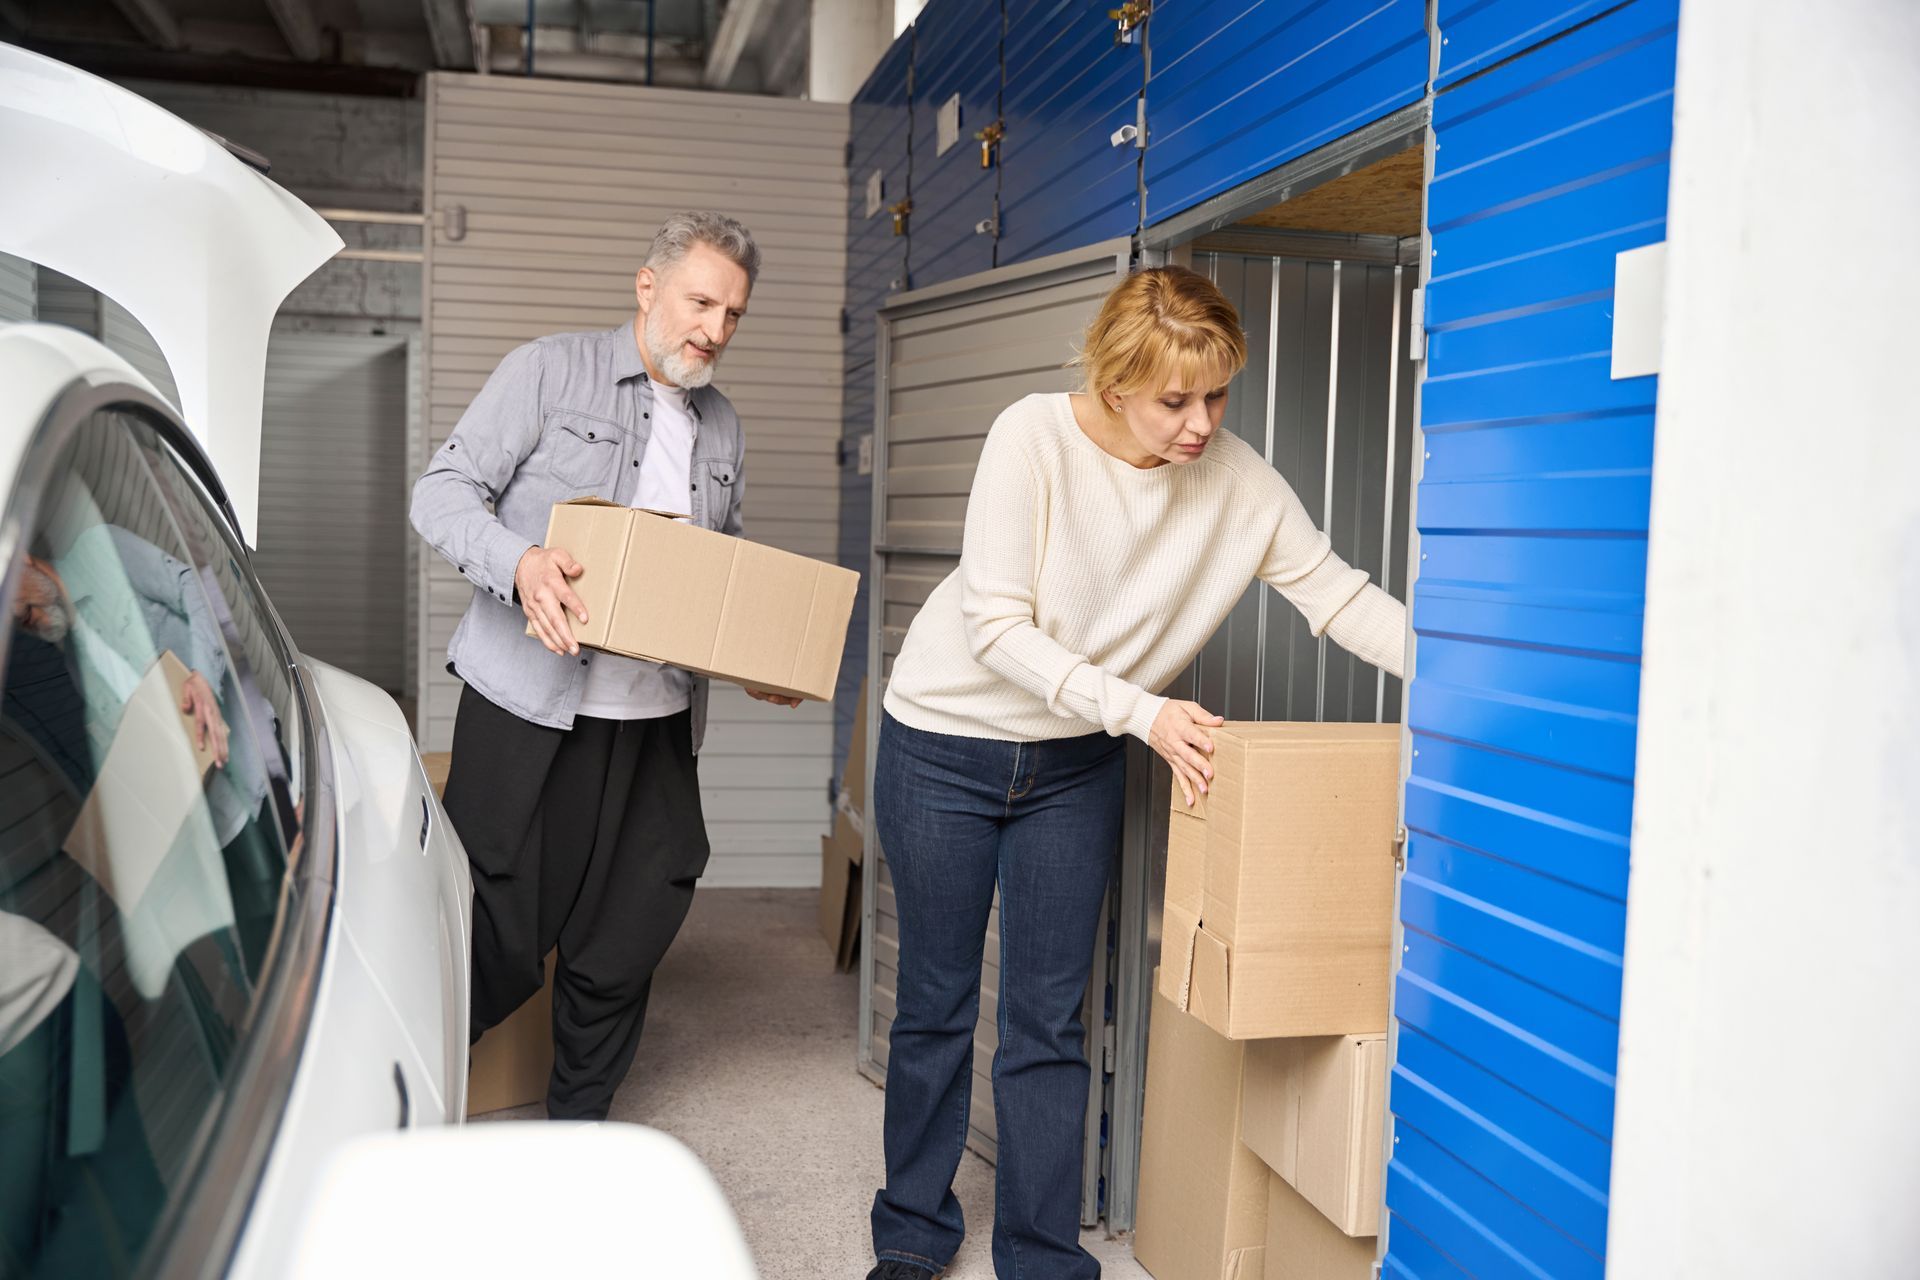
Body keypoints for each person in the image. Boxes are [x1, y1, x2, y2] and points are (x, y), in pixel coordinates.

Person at [866, 266, 1409, 1279]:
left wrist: (1460, 669)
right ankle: (910, 1229)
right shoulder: (1029, 436)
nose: (1201, 423)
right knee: (937, 1000)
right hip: (943, 742)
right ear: (1115, 383)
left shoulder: (1238, 479)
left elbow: (1338, 597)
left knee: (1049, 1014)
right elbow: (994, 626)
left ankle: (1040, 1252)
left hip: (1074, 765)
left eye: (1216, 394)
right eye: (1175, 400)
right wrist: (1143, 711)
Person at [410, 211, 800, 1121]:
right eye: (701, 301)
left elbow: (720, 569)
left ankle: (580, 1124)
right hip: (533, 707)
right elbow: (443, 492)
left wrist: (755, 654)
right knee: (492, 925)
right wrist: (520, 563)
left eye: (734, 313)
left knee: (629, 928)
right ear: (648, 286)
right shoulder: (548, 371)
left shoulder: (723, 424)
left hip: (657, 722)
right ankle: (405, 1105)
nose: (715, 328)